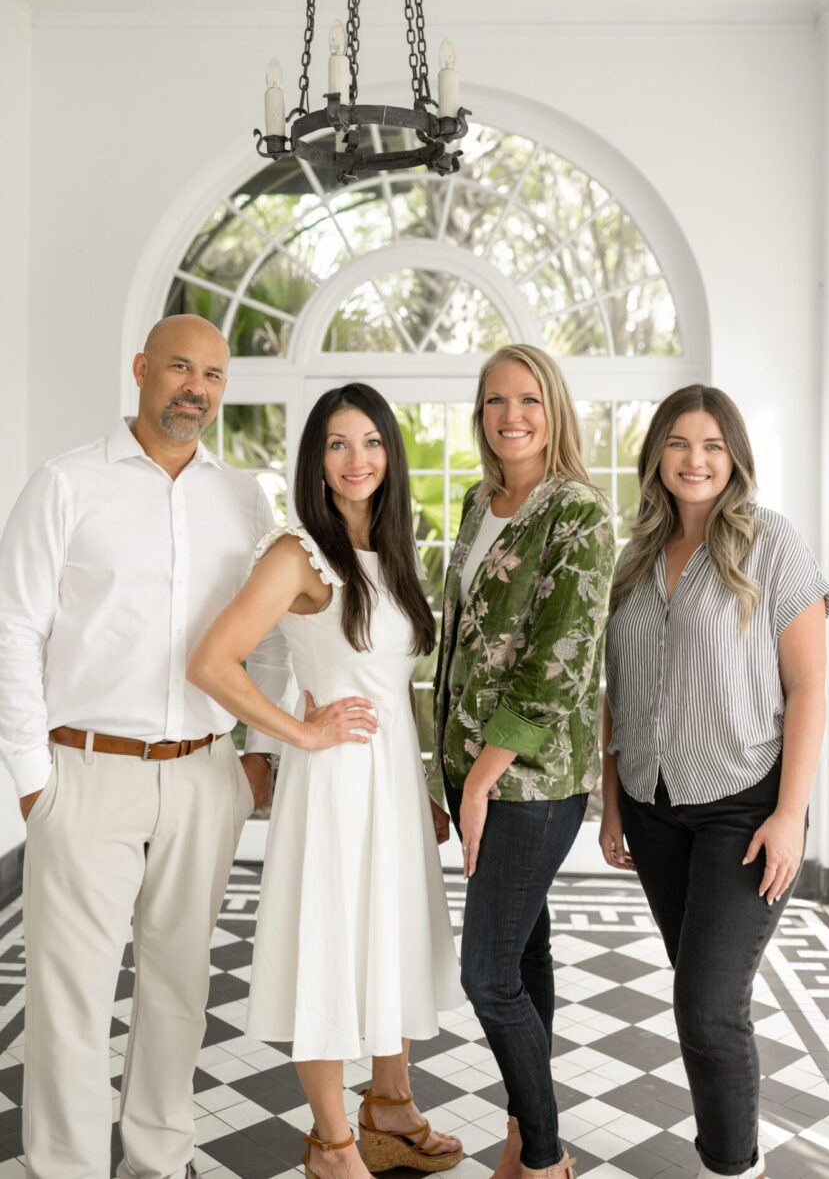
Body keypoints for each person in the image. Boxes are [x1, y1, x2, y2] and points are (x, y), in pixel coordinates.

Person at [0, 314, 307, 1178]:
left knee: (179, 987)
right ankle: (64, 1167)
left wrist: (254, 755)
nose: (196, 389)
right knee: (71, 994)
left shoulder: (241, 497)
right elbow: (12, 629)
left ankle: (158, 1161)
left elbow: (271, 634)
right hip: (86, 773)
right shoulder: (66, 485)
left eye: (213, 375)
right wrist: (33, 781)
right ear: (140, 369)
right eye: (180, 367)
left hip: (206, 776)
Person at [188, 382, 464, 1179]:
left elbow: (392, 680)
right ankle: (332, 1144)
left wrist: (420, 785)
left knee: (391, 936)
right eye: (339, 444)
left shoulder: (397, 549)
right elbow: (213, 660)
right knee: (334, 946)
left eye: (372, 441)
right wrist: (301, 733)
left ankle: (391, 1109)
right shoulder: (297, 554)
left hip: (389, 780)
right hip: (337, 783)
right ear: (316, 458)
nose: (357, 459)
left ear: (391, 453)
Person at [600, 384, 829, 1179]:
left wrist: (792, 814)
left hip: (746, 804)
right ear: (655, 455)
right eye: (676, 443)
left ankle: (734, 1168)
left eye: (710, 445)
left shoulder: (772, 542)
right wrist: (612, 805)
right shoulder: (634, 555)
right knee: (705, 999)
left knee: (706, 1006)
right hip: (654, 807)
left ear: (732, 455)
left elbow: (808, 688)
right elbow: (615, 691)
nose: (693, 460)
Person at [427, 344, 615, 1179]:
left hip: (531, 781)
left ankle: (544, 1157)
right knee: (525, 955)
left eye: (529, 399)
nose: (512, 416)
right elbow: (457, 646)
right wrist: (445, 768)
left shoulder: (578, 514)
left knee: (487, 973)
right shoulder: (479, 501)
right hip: (474, 773)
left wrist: (476, 779)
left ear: (555, 408)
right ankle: (521, 1132)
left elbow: (559, 661)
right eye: (496, 401)